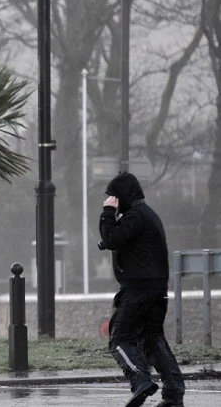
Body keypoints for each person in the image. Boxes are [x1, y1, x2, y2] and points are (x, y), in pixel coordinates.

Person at [99, 172, 185, 407]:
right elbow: (118, 239)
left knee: (119, 339)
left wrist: (107, 214)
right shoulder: (145, 214)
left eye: (114, 197)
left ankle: (141, 380)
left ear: (124, 195)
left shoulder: (135, 215)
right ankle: (174, 393)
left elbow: (113, 239)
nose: (112, 201)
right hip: (157, 288)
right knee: (152, 338)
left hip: (138, 289)